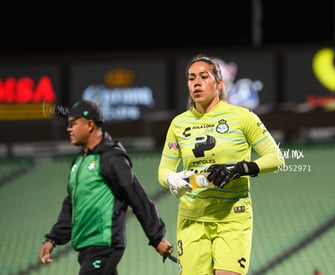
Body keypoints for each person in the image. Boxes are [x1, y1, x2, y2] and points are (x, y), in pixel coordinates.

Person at [157, 53, 285, 275]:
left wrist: (238, 169)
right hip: (192, 218)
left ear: (218, 83)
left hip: (232, 216)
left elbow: (276, 159)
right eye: (191, 78)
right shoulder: (178, 124)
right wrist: (172, 178)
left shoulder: (243, 117)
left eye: (204, 76)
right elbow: (164, 168)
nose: (196, 82)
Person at [39, 100, 173, 275]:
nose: (68, 129)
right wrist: (52, 239)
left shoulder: (111, 158)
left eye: (73, 124)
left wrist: (156, 238)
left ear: (90, 125)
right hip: (86, 248)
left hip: (103, 244)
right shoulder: (79, 162)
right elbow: (71, 205)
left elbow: (136, 196)